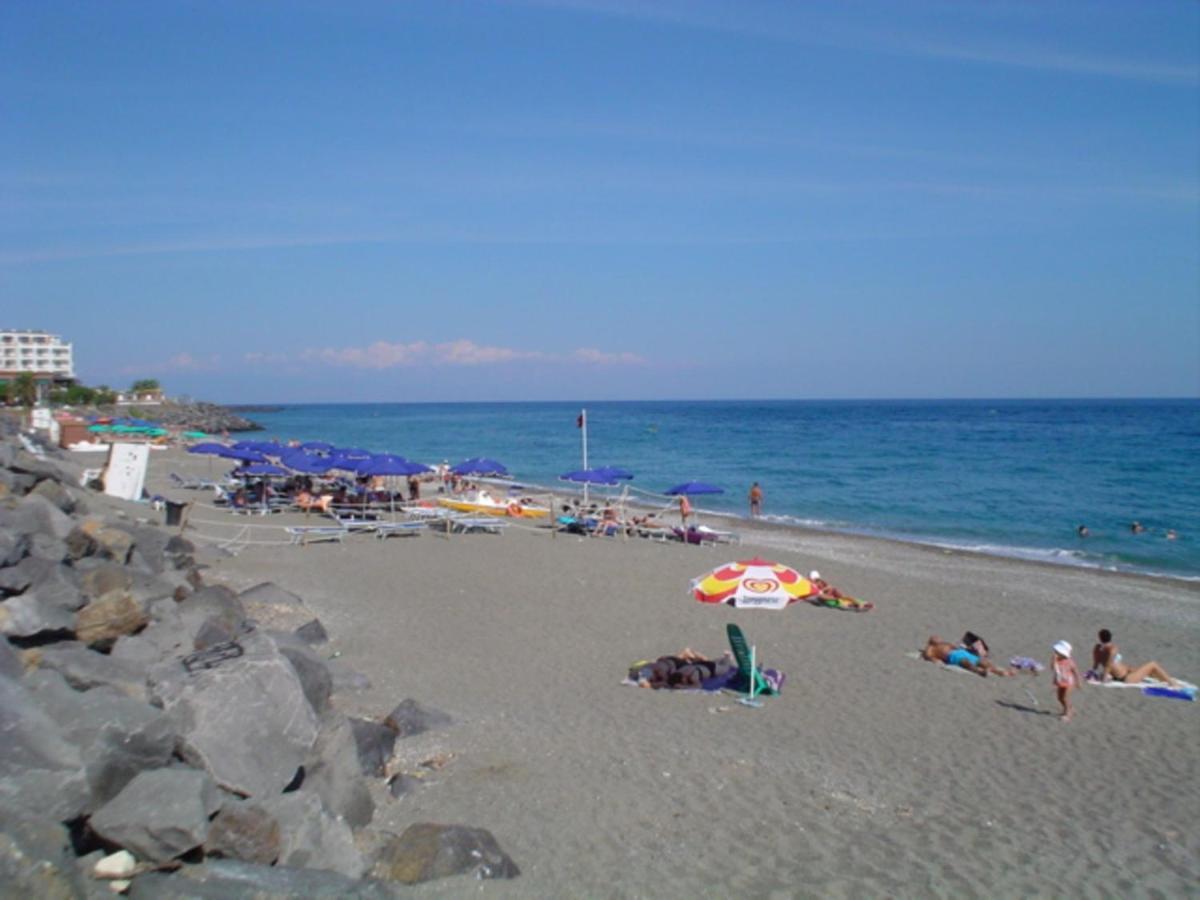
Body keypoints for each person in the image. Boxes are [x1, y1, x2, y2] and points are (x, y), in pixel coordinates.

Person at [1091, 629, 1177, 686]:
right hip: (1125, 678)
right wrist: (1104, 679)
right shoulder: (1113, 649)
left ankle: (1161, 678)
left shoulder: (1097, 648)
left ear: (1100, 638)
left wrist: (1093, 673)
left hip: (1123, 673)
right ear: (1110, 637)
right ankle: (1172, 684)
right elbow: (1108, 665)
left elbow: (1096, 664)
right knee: (1153, 665)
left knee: (1137, 669)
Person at [921, 635, 1013, 676]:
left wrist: (965, 648)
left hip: (961, 652)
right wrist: (936, 661)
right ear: (931, 641)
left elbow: (954, 646)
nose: (938, 638)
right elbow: (929, 657)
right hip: (952, 656)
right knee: (965, 662)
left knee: (981, 661)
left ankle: (998, 671)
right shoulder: (930, 649)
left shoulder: (944, 643)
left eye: (938, 637)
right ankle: (979, 672)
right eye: (935, 638)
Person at [808, 571, 873, 611]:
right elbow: (827, 588)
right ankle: (854, 603)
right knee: (840, 597)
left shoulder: (818, 582)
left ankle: (856, 603)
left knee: (839, 597)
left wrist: (825, 590)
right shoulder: (818, 581)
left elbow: (827, 587)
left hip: (826, 595)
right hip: (826, 594)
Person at [1051, 640, 1081, 722]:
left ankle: (1067, 714)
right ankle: (1070, 708)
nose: (1055, 653)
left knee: (1065, 698)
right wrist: (1053, 660)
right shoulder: (1056, 660)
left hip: (1069, 682)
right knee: (1060, 698)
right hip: (1060, 681)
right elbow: (1052, 668)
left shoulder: (1069, 661)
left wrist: (1078, 681)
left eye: (1057, 652)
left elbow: (1075, 671)